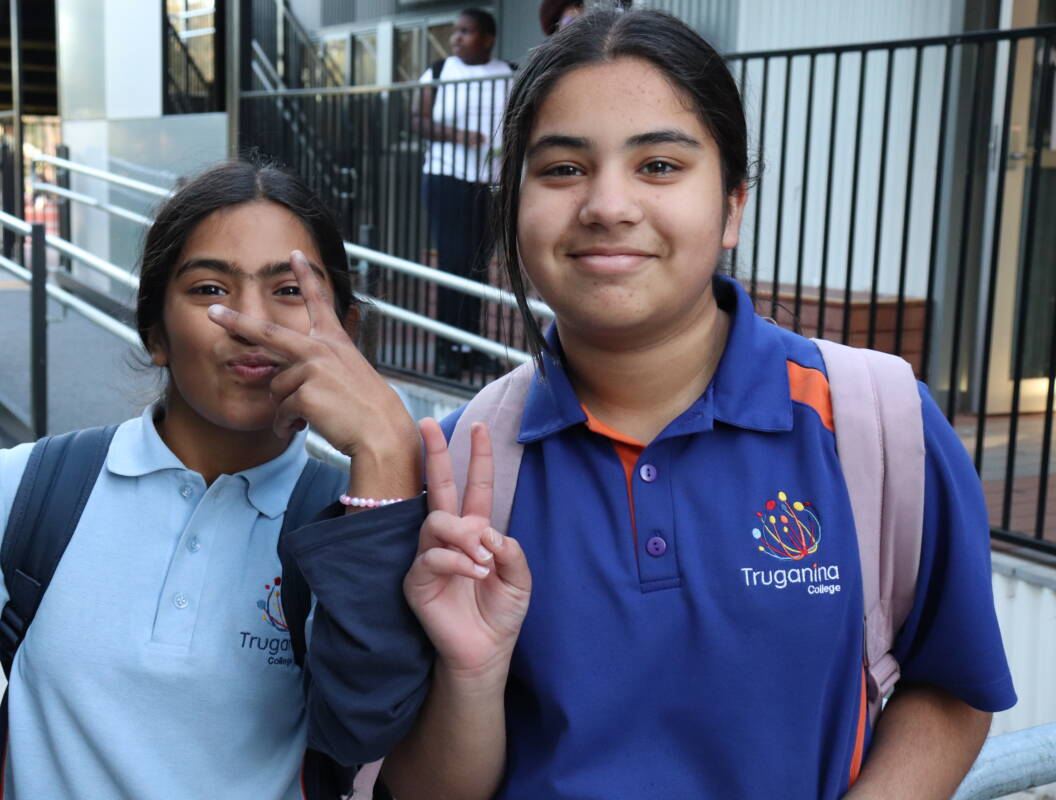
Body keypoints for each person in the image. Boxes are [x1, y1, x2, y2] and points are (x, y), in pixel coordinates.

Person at [359, 8, 1014, 799]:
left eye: (660, 165)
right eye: (563, 168)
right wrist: (471, 675)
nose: (608, 205)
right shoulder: (465, 469)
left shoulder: (874, 421)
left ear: (733, 206)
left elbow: (952, 688)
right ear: (514, 205)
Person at [0, 159, 421, 800]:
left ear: (346, 332)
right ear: (155, 332)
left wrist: (384, 454)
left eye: (290, 290)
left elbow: (367, 729)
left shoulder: (356, 521)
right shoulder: (29, 488)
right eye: (210, 289)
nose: (251, 322)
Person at [412, 9, 512, 378]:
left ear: (487, 38)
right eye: (455, 31)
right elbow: (417, 120)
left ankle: (471, 346)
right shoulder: (440, 72)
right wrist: (458, 137)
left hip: (491, 181)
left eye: (466, 31)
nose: (456, 37)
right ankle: (447, 348)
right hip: (447, 176)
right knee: (454, 260)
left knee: (478, 264)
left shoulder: (510, 74)